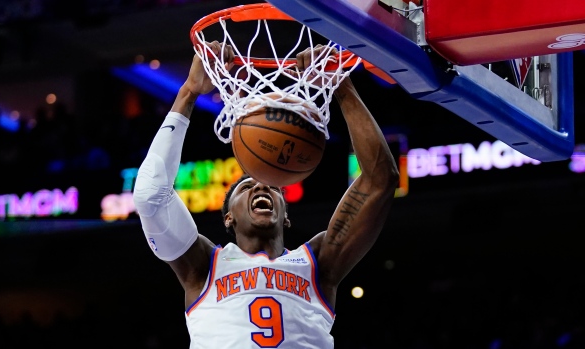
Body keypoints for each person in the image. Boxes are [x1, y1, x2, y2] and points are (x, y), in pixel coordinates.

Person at [132, 41, 399, 348]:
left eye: (273, 187)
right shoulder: (203, 266)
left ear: (286, 216)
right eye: (246, 187)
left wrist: (340, 84)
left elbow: (381, 178)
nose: (260, 186)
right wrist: (188, 93)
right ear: (228, 217)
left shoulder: (319, 264)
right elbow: (150, 194)